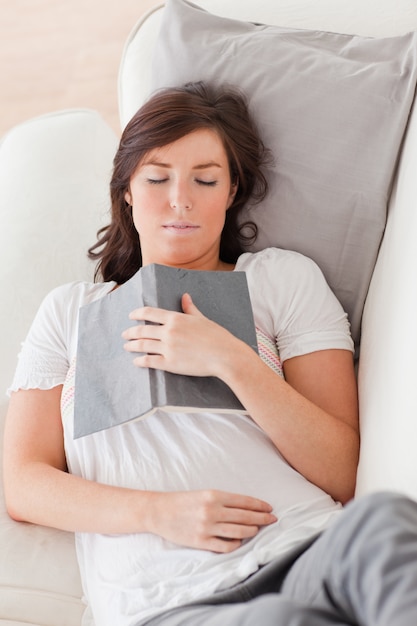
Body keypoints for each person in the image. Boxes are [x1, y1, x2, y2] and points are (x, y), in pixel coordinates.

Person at [3, 81, 417, 626]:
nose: (181, 199)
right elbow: (23, 483)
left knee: (388, 524)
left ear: (231, 190)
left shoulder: (279, 279)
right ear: (126, 189)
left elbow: (342, 470)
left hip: (308, 546)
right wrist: (156, 513)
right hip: (172, 600)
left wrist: (232, 360)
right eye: (157, 178)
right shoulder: (70, 313)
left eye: (205, 179)